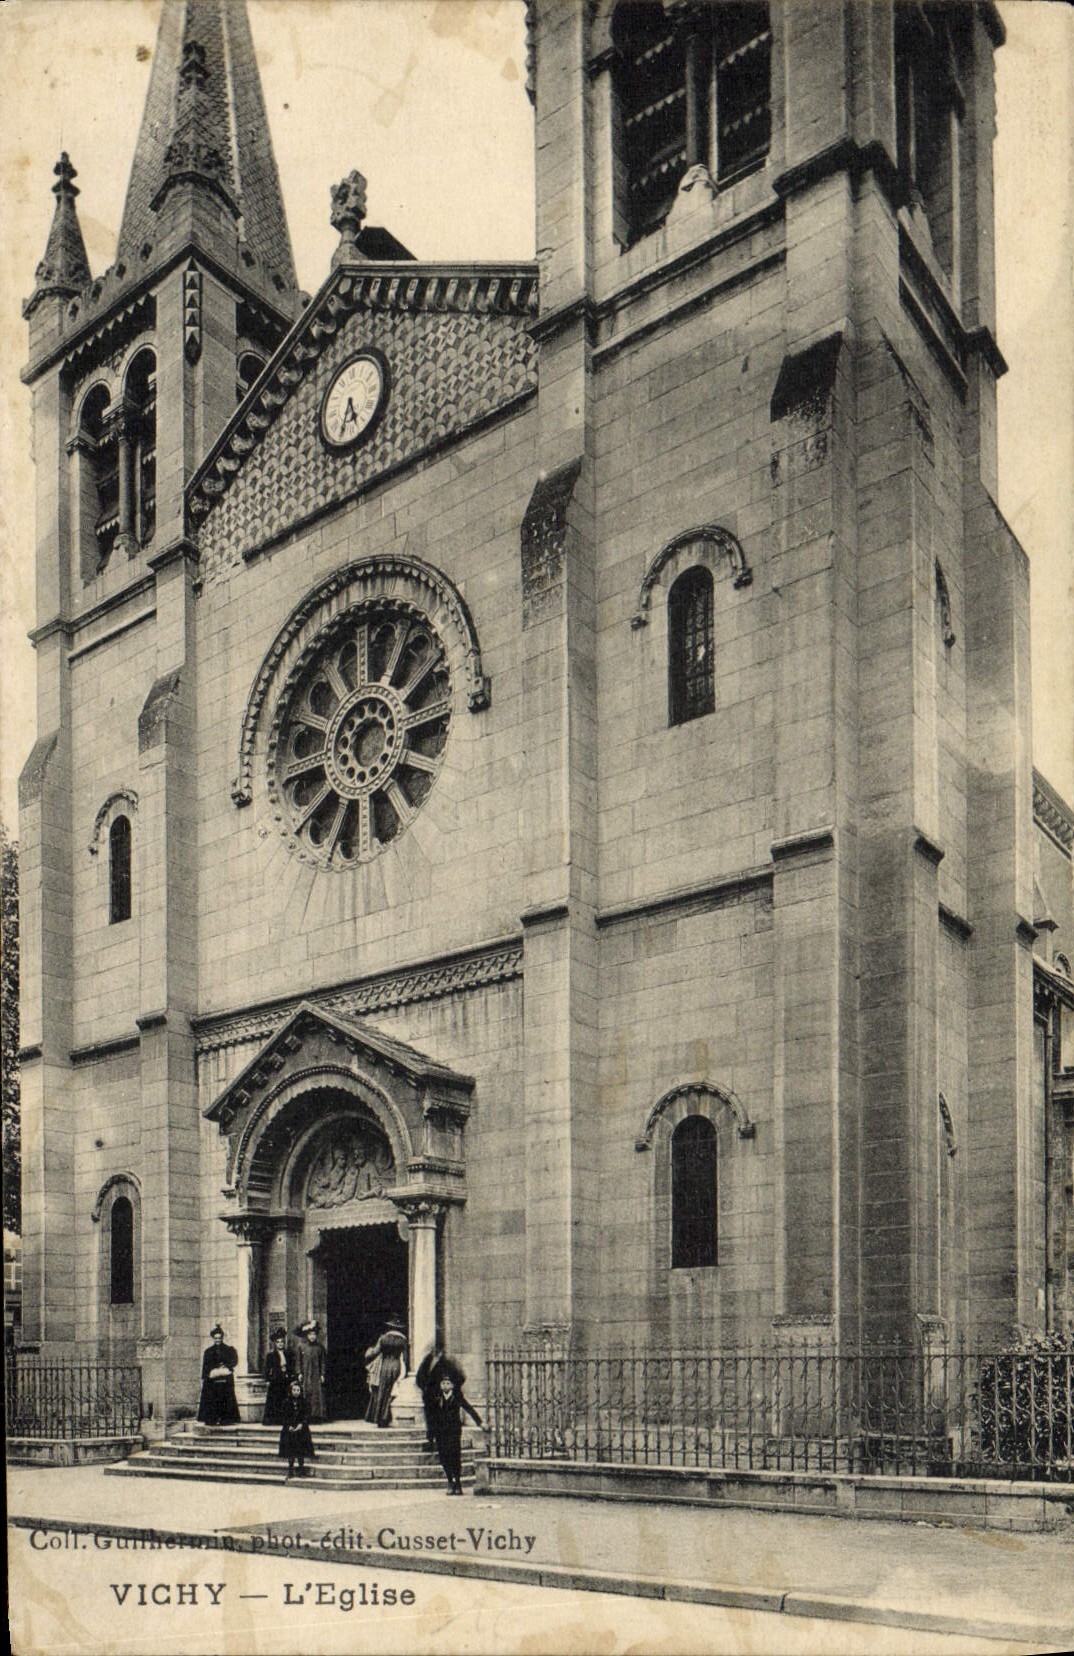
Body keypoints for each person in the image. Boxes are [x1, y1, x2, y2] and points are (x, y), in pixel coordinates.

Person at [426, 1363, 482, 1494]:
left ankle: (458, 1482)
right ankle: (450, 1482)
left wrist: (480, 1422)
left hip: (453, 1432)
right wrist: (430, 1435)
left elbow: (469, 1409)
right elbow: (431, 1417)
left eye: (447, 1383)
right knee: (444, 1457)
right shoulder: (436, 1398)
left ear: (452, 1385)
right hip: (440, 1433)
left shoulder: (457, 1397)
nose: (445, 1386)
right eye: (443, 1383)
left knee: (455, 1457)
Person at [416, 1346, 465, 1449]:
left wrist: (451, 1388)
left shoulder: (448, 1362)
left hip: (441, 1394)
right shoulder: (427, 1360)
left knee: (438, 1419)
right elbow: (419, 1377)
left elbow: (460, 1377)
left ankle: (437, 1441)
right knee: (430, 1418)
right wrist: (425, 1388)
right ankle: (430, 1439)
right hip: (429, 1396)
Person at [364, 1317, 408, 1427]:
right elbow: (406, 1357)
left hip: (385, 1365)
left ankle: (380, 1418)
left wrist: (368, 1352)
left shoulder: (383, 1338)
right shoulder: (403, 1340)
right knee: (391, 1391)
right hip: (396, 1365)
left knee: (382, 1390)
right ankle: (386, 1417)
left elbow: (374, 1352)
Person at [197, 1324, 240, 1427]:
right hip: (212, 1380)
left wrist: (225, 1365)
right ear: (213, 1338)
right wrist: (209, 1373)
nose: (218, 1340)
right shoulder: (208, 1351)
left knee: (225, 1398)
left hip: (225, 1380)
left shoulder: (229, 1350)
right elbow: (206, 1366)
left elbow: (234, 1361)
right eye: (216, 1338)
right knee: (212, 1399)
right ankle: (211, 1418)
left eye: (219, 1338)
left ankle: (226, 1419)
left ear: (222, 1338)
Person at [278, 1379, 315, 1479]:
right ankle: (290, 1469)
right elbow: (283, 1415)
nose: (296, 1392)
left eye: (298, 1390)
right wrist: (288, 1425)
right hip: (289, 1430)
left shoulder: (304, 1402)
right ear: (291, 1391)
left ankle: (301, 1469)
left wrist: (302, 1424)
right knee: (290, 1451)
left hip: (301, 1430)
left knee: (300, 1450)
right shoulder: (286, 1402)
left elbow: (307, 1415)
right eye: (294, 1390)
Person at [292, 1320, 328, 1422]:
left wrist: (322, 1374)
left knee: (317, 1394)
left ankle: (316, 1415)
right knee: (306, 1393)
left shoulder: (320, 1347)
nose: (312, 1337)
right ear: (307, 1335)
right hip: (306, 1374)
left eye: (314, 1334)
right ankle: (306, 1415)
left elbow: (323, 1362)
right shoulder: (301, 1346)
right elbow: (298, 1361)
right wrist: (299, 1373)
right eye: (310, 1334)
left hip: (316, 1375)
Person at [262, 1327, 291, 1426]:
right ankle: (274, 1419)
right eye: (278, 1342)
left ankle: (284, 1418)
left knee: (285, 1399)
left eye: (282, 1342)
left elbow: (290, 1366)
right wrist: (267, 1380)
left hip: (285, 1379)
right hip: (276, 1380)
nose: (280, 1344)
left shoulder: (287, 1354)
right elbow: (267, 1368)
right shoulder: (271, 1355)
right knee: (275, 1399)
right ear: (275, 1343)